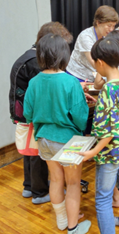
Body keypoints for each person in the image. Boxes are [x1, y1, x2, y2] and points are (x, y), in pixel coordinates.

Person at [23, 33, 91, 234]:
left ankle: (63, 220)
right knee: (73, 183)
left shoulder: (34, 82)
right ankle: (73, 228)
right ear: (64, 55)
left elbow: (28, 113)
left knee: (55, 179)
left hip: (44, 138)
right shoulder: (71, 82)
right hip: (68, 140)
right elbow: (80, 117)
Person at [76, 32, 119, 234]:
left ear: (100, 62)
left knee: (102, 199)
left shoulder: (109, 91)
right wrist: (99, 95)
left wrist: (92, 152)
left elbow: (108, 131)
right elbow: (118, 116)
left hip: (109, 153)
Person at [10, 22, 74, 205]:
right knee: (38, 152)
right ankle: (39, 192)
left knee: (29, 149)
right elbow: (47, 90)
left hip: (22, 110)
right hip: (32, 113)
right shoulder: (36, 63)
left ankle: (29, 186)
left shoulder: (29, 57)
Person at [67, 6, 119, 83]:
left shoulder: (106, 36)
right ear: (98, 23)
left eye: (113, 26)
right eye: (109, 25)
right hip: (77, 76)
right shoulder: (86, 36)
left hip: (94, 76)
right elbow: (95, 63)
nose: (111, 29)